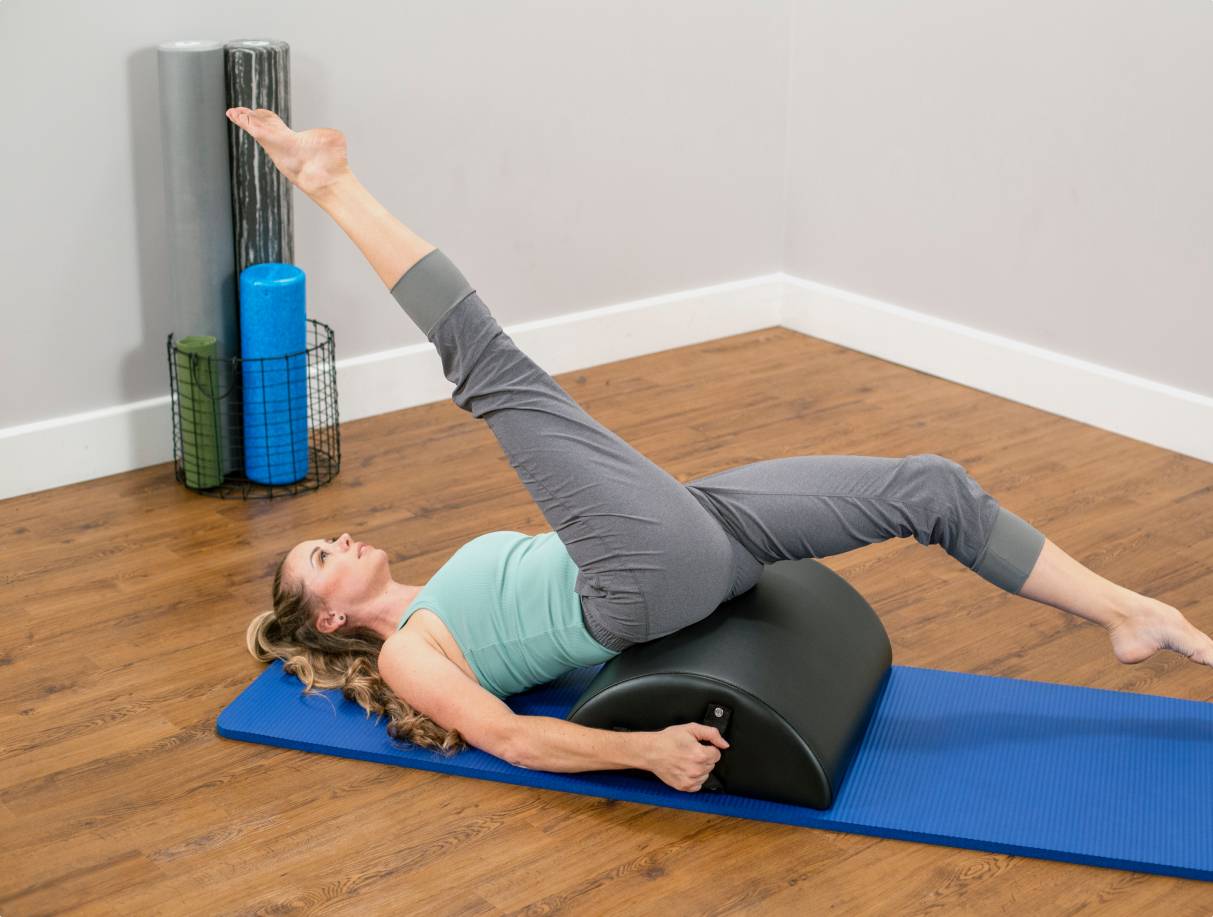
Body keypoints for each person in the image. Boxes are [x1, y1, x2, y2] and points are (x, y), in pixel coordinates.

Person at [233, 107, 1213, 794]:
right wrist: (647, 751)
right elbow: (507, 736)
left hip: (682, 539)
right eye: (323, 551)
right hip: (639, 581)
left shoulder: (443, 580)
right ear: (328, 610)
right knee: (491, 367)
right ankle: (330, 180)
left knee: (932, 486)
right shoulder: (410, 650)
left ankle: (1130, 612)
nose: (344, 533)